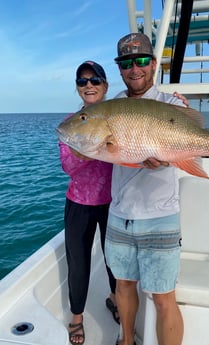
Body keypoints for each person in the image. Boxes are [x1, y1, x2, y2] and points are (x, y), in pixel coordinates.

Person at [105, 33, 186, 345]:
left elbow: (182, 143)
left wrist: (167, 157)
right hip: (120, 215)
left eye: (140, 60)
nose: (134, 68)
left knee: (164, 297)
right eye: (126, 62)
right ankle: (126, 341)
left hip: (161, 215)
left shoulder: (171, 103)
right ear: (120, 69)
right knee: (123, 286)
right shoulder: (111, 109)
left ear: (153, 64)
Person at [59, 61, 119, 345]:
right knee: (79, 263)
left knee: (114, 260)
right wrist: (92, 142)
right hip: (79, 203)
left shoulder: (117, 115)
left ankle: (114, 298)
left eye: (95, 80)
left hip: (113, 202)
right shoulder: (71, 123)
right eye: (82, 82)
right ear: (77, 88)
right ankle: (77, 317)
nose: (89, 85)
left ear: (105, 86)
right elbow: (68, 166)